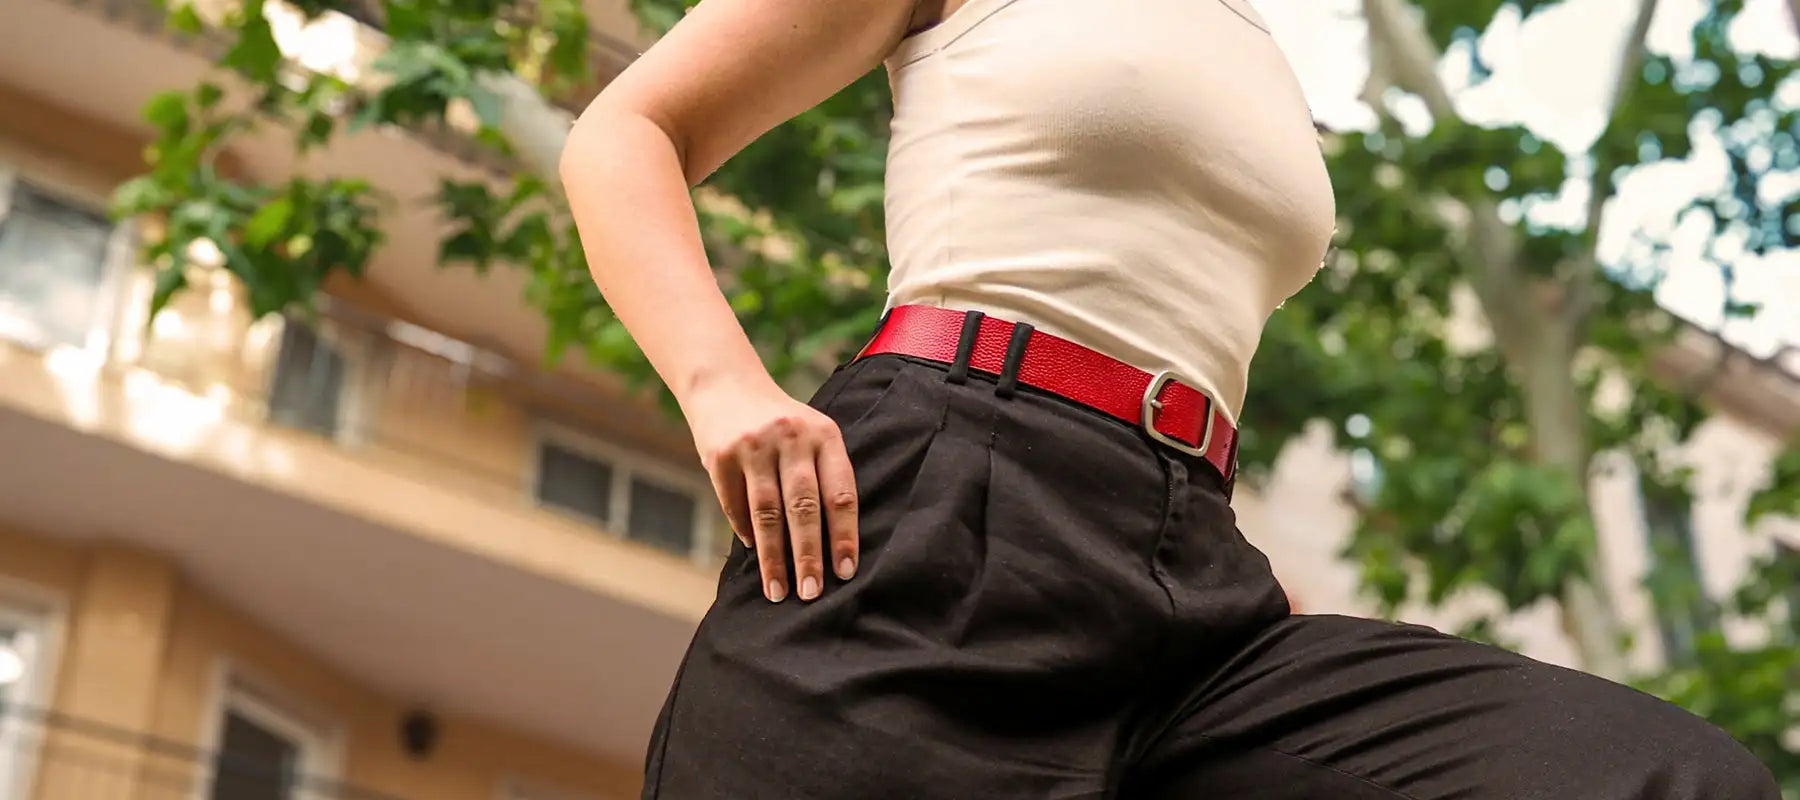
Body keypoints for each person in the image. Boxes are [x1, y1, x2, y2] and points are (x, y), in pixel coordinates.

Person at [557, 0, 1782, 797]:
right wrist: (723, 384)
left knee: (1666, 780)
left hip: (1192, 584)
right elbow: (628, 130)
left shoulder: (1254, 42)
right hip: (942, 508)